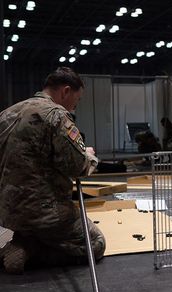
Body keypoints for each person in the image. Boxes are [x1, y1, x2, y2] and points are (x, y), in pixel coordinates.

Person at [0, 67, 105, 274]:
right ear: (65, 91)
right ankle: (32, 252)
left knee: (39, 229)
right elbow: (76, 166)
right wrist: (89, 155)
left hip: (8, 211)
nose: (75, 106)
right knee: (95, 243)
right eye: (77, 99)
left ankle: (25, 240)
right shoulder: (55, 115)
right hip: (45, 212)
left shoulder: (7, 113)